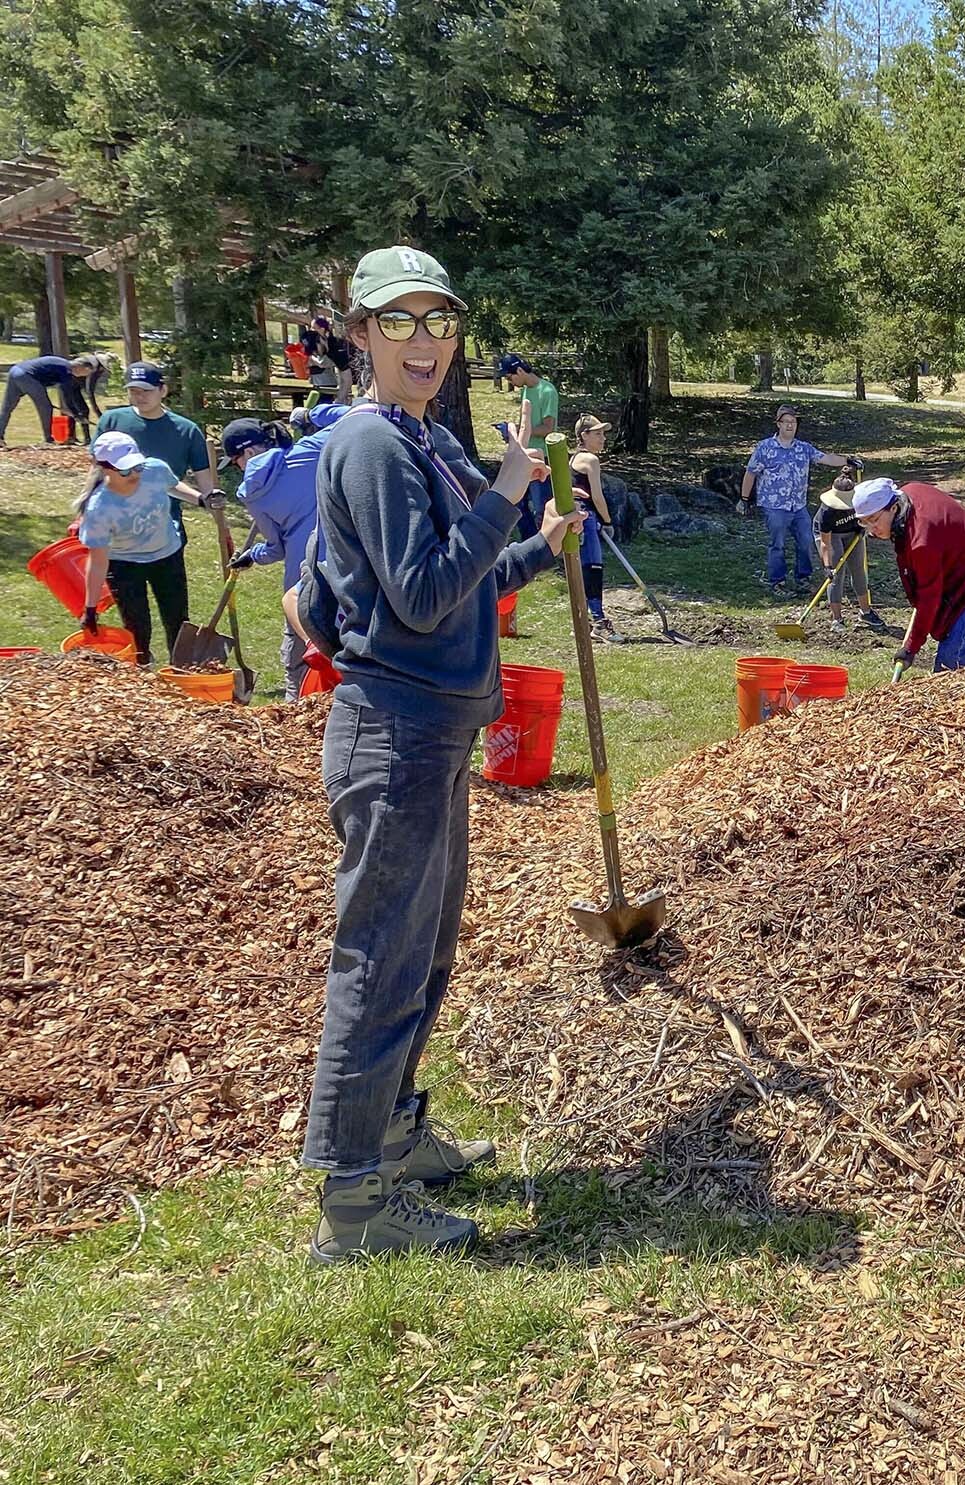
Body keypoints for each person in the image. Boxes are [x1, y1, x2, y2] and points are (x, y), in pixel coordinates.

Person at [302, 245, 585, 1263]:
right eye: (400, 322)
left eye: (440, 320)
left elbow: (456, 578)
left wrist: (533, 543)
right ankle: (354, 1204)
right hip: (395, 733)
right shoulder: (371, 444)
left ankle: (390, 1133)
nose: (425, 341)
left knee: (424, 952)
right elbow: (420, 595)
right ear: (362, 334)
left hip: (435, 729)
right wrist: (508, 485)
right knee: (378, 963)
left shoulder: (417, 439)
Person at [219, 406, 351, 698]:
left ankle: (294, 723)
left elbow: (277, 548)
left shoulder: (249, 494)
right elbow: (358, 414)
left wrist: (253, 555)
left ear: (249, 453)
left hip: (301, 583)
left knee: (297, 665)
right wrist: (311, 416)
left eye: (236, 461)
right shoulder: (312, 449)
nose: (239, 468)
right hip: (348, 567)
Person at [74, 430, 223, 665]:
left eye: (137, 467)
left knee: (177, 619)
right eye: (125, 470)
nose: (134, 474)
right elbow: (98, 561)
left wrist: (202, 499)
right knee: (137, 627)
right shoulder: (99, 509)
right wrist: (90, 608)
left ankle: (180, 668)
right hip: (125, 565)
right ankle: (143, 672)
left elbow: (172, 486)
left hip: (167, 555)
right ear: (104, 468)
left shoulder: (155, 469)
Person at [852, 477, 965, 676]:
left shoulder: (921, 541)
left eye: (873, 520)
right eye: (863, 522)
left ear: (892, 507)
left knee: (953, 668)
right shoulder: (910, 493)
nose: (871, 530)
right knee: (954, 666)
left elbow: (928, 598)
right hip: (957, 575)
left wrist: (911, 647)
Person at [96, 361, 225, 562]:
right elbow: (96, 471)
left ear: (163, 390)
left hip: (165, 524)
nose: (140, 396)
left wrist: (219, 520)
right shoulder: (112, 421)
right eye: (134, 390)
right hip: (117, 525)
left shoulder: (186, 431)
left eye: (146, 390)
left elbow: (207, 485)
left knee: (172, 592)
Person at [741, 404, 860, 596]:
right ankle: (777, 582)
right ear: (778, 424)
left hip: (798, 506)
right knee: (777, 544)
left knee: (806, 541)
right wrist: (745, 498)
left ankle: (802, 578)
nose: (790, 426)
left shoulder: (804, 448)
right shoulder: (765, 448)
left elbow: (826, 458)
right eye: (786, 422)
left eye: (793, 422)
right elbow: (750, 473)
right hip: (774, 507)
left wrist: (848, 460)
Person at [496, 352, 558, 537]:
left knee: (541, 505)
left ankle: (548, 546)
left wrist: (519, 428)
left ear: (520, 370)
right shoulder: (525, 391)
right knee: (518, 503)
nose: (510, 381)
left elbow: (548, 428)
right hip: (525, 454)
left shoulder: (547, 391)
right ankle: (529, 543)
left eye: (510, 376)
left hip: (542, 456)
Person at [814, 470, 885, 633]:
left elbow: (868, 517)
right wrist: (827, 566)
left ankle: (866, 612)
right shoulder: (827, 512)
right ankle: (837, 619)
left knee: (858, 570)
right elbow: (826, 544)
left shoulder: (860, 501)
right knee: (836, 575)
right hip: (831, 536)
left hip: (853, 533)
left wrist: (863, 528)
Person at [570, 413, 618, 641]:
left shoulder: (574, 459)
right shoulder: (590, 460)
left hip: (577, 518)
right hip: (586, 519)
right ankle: (598, 622)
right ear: (584, 436)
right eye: (597, 434)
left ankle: (584, 621)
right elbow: (597, 498)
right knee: (593, 568)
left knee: (583, 570)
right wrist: (607, 521)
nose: (602, 439)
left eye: (603, 434)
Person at [0, 353, 108, 444]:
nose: (83, 376)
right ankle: (48, 439)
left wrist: (75, 414)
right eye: (86, 373)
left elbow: (67, 395)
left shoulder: (63, 365)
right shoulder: (66, 370)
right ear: (82, 367)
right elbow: (67, 395)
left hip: (15, 371)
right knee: (46, 408)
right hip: (27, 376)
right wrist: (76, 415)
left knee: (7, 408)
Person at [300, 315, 354, 402]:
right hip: (325, 380)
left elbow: (324, 363)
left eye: (314, 328)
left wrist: (311, 359)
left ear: (322, 329)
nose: (311, 331)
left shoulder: (334, 345)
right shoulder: (320, 342)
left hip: (335, 379)